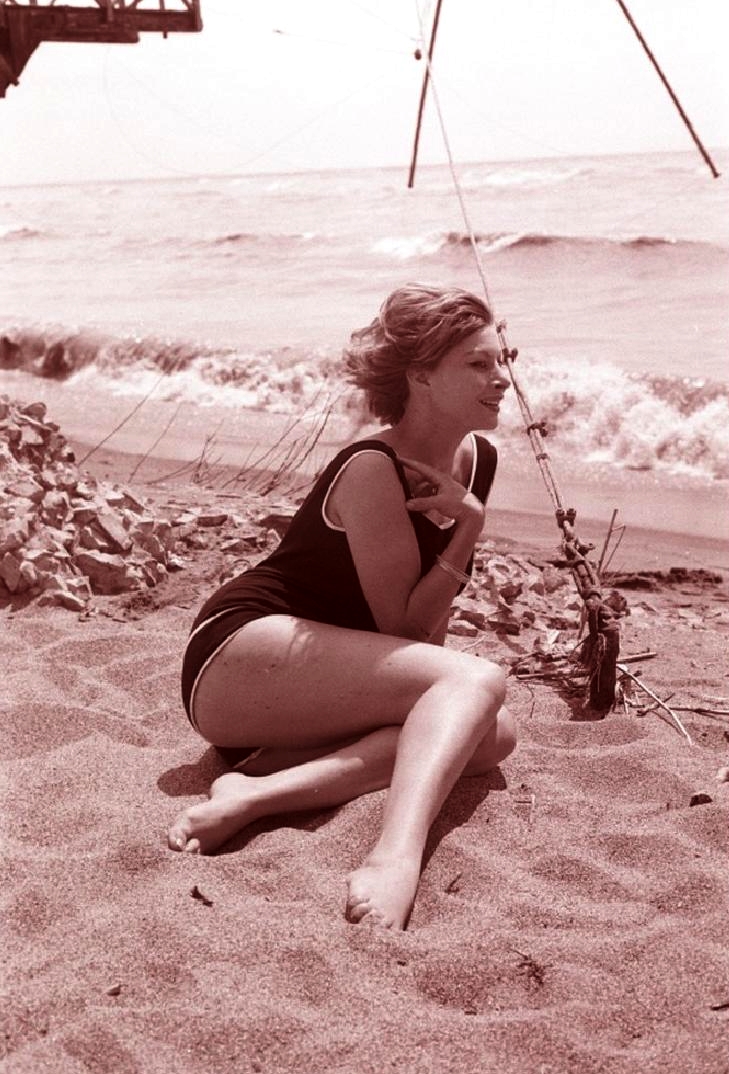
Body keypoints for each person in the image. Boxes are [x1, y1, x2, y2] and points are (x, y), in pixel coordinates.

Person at [168, 283, 516, 930]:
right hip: (241, 653)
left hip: (317, 677)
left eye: (505, 359)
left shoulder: (478, 459)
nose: (502, 378)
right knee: (475, 684)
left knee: (492, 734)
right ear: (420, 375)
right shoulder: (372, 467)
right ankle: (395, 856)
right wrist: (467, 529)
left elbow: (422, 646)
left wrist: (468, 519)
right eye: (478, 363)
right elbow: (406, 631)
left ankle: (256, 793)